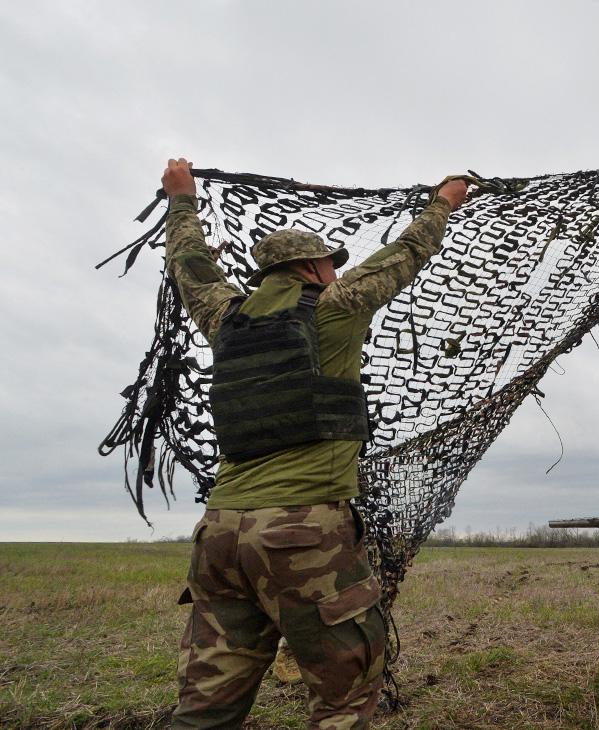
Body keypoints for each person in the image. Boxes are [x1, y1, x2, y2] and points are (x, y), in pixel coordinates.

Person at [160, 158, 468, 729]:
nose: (334, 271)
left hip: (220, 536)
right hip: (300, 535)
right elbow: (403, 256)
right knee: (344, 699)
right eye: (330, 262)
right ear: (311, 266)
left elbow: (191, 267)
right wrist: (444, 201)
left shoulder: (225, 318)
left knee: (204, 708)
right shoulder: (335, 308)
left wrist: (182, 201)